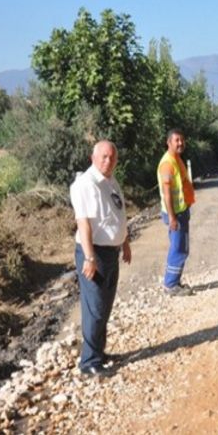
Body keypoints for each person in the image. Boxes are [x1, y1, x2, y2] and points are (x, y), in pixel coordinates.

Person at [70, 140, 131, 377]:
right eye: (104, 157)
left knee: (104, 306)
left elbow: (117, 214)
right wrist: (89, 257)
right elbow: (83, 223)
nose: (108, 161)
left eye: (112, 157)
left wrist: (124, 242)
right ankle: (89, 362)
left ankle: (100, 353)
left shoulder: (110, 181)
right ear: (92, 158)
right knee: (94, 307)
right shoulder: (85, 184)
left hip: (110, 252)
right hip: (94, 253)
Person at [158, 129, 196, 296]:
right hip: (176, 214)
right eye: (177, 140)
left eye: (182, 140)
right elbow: (167, 194)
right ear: (169, 142)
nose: (180, 143)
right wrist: (173, 217)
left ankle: (174, 282)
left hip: (181, 211)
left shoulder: (176, 159)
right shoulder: (167, 163)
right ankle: (171, 284)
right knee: (178, 248)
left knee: (181, 247)